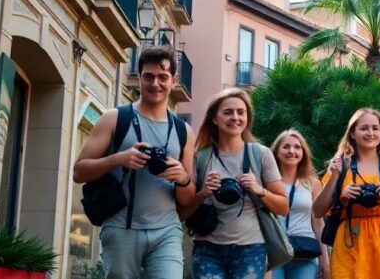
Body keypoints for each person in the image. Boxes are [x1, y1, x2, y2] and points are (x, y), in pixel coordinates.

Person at [73, 46, 196, 279]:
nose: (155, 84)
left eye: (162, 77)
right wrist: (119, 158)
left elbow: (187, 198)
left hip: (167, 231)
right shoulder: (114, 118)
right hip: (121, 229)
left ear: (173, 80)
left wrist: (183, 178)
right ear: (139, 78)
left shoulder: (184, 131)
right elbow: (79, 172)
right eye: (148, 77)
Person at [181, 88, 289, 279]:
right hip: (207, 249)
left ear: (247, 118)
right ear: (215, 118)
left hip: (250, 249)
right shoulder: (201, 158)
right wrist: (204, 192)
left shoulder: (260, 154)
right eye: (228, 112)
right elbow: (182, 213)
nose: (235, 117)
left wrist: (259, 190)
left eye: (241, 112)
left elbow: (283, 207)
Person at [312, 108, 380, 279]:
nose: (370, 133)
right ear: (353, 133)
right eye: (364, 128)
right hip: (349, 243)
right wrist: (339, 190)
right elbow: (317, 211)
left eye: (375, 128)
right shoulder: (341, 166)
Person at [271, 129, 329, 279]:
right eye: (286, 147)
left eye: (297, 147)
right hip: (274, 253)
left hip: (305, 253)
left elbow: (318, 223)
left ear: (303, 153)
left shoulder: (312, 184)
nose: (292, 151)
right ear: (277, 152)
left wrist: (325, 260)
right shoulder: (267, 182)